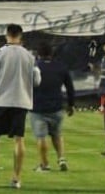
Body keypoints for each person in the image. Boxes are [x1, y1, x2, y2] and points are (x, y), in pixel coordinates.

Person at [0, 24, 40, 189]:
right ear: (20, 36)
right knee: (19, 139)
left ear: (6, 35)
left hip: (0, 100)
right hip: (21, 101)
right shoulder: (29, 56)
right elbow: (37, 80)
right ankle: (16, 178)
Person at [30, 41, 74, 173]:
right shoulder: (61, 67)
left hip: (38, 106)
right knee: (57, 134)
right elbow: (70, 87)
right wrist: (71, 104)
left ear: (38, 54)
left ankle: (44, 164)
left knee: (41, 137)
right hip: (57, 105)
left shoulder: (35, 67)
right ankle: (61, 158)